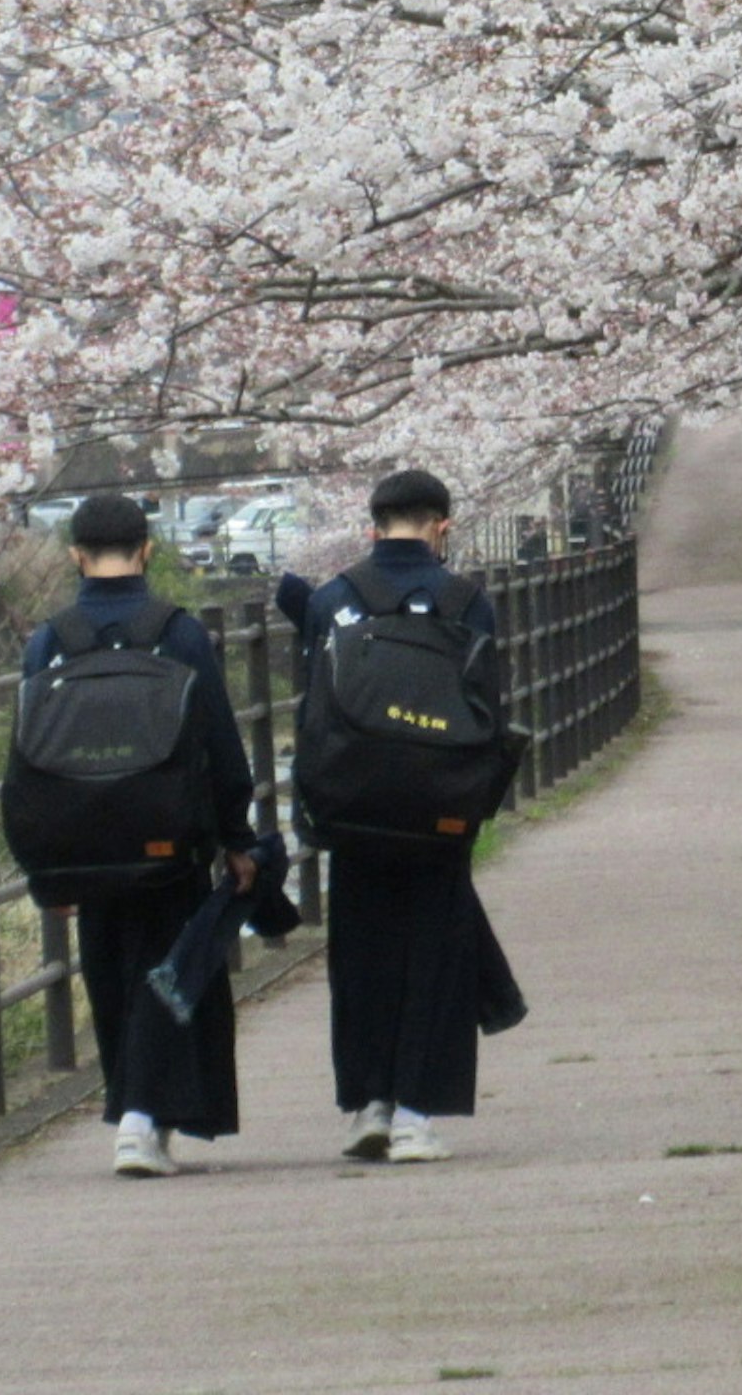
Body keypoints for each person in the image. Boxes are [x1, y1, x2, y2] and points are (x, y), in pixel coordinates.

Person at [278, 468, 527, 1163]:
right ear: (442, 525)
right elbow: (484, 706)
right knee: (434, 952)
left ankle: (368, 1104)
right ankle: (418, 1113)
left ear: (372, 525)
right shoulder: (467, 602)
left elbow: (313, 706)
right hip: (438, 805)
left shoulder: (332, 599)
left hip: (354, 804)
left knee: (361, 953)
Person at [25, 492, 259, 1177]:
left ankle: (132, 1111)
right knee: (172, 969)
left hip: (86, 843)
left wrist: (47, 869)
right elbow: (217, 739)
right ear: (147, 549)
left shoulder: (52, 640)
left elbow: (32, 759)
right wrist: (235, 837)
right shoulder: (176, 632)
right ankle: (142, 1121)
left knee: (110, 976)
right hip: (171, 838)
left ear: (75, 555)